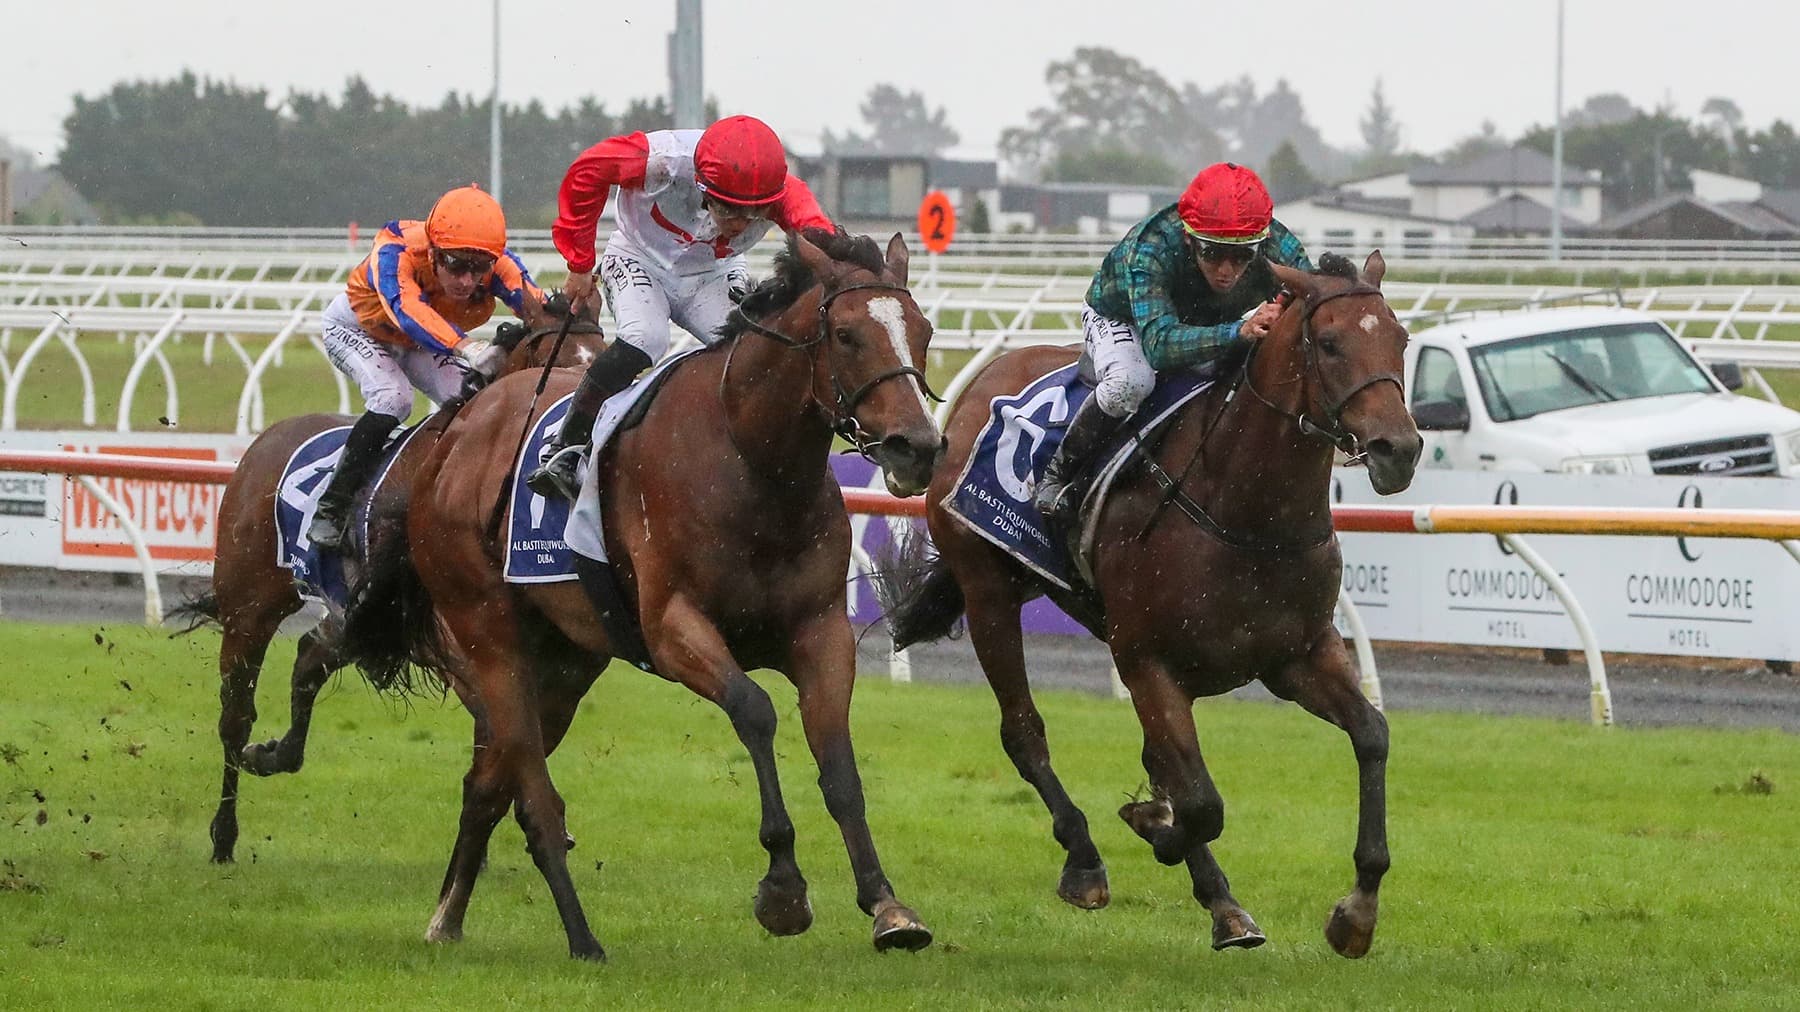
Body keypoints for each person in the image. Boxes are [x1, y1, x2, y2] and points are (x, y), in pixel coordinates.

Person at [526, 114, 835, 501]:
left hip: (713, 271)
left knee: (752, 351)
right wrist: (579, 262)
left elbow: (824, 239)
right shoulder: (662, 159)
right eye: (728, 209)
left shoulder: (785, 191)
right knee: (644, 339)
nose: (740, 224)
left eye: (754, 213)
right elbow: (587, 171)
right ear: (703, 185)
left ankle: (748, 454)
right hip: (638, 256)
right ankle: (566, 449)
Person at [1032, 162, 1315, 531]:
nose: (1227, 270)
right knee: (1130, 384)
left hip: (1201, 319)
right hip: (1126, 318)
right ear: (1188, 238)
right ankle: (1059, 474)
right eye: (1212, 253)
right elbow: (1160, 346)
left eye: (1243, 256)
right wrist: (1238, 331)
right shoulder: (1150, 248)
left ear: (1260, 244)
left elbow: (1311, 292)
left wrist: (1282, 303)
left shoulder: (1276, 242)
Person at [306, 185, 546, 549]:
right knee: (393, 399)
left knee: (472, 402)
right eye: (456, 265)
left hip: (418, 342)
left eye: (479, 268)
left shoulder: (500, 265)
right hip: (359, 328)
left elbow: (539, 308)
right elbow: (408, 312)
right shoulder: (395, 251)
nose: (468, 281)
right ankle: (332, 507)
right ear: (432, 252)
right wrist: (466, 346)